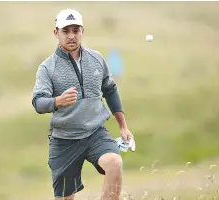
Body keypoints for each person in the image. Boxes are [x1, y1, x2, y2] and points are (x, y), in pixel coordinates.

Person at [32, 8, 134, 200]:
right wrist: (57, 102)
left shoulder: (96, 59)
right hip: (64, 140)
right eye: (66, 31)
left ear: (82, 31)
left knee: (114, 163)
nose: (71, 36)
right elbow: (38, 102)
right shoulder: (47, 68)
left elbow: (110, 90)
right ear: (56, 33)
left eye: (75, 30)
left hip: (95, 132)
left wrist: (123, 126)